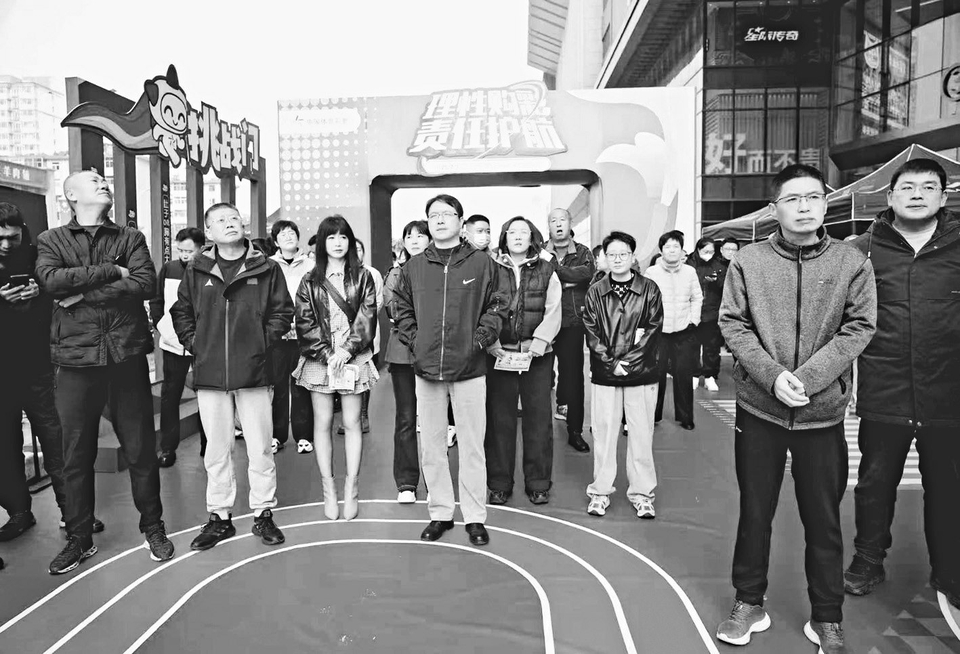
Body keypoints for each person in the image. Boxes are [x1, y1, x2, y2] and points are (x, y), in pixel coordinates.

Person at [716, 164, 876, 653]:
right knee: (755, 512)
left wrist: (807, 379)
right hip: (760, 411)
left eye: (813, 197)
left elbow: (859, 327)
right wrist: (771, 376)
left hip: (821, 412)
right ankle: (749, 602)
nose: (804, 207)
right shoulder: (749, 261)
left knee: (823, 519)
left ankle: (827, 615)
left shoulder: (851, 262)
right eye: (792, 199)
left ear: (825, 203)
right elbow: (733, 323)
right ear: (775, 208)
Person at [35, 169, 173, 574]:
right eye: (92, 182)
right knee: (76, 455)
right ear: (71, 195)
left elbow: (145, 284)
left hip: (125, 356)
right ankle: (79, 537)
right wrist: (113, 271)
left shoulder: (129, 237)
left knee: (141, 450)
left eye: (103, 180)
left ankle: (153, 527)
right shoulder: (51, 239)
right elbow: (52, 282)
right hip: (75, 362)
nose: (102, 183)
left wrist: (81, 294)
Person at [844, 159, 960, 620]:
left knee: (949, 487)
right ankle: (868, 559)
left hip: (948, 393)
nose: (916, 195)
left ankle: (949, 569)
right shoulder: (862, 249)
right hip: (883, 388)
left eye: (928, 187)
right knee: (874, 483)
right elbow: (842, 321)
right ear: (890, 197)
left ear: (944, 198)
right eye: (907, 187)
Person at [171, 202, 292, 552]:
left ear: (243, 225)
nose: (229, 224)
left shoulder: (266, 267)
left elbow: (282, 311)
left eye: (234, 218)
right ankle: (219, 516)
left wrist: (261, 343)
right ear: (209, 232)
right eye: (220, 220)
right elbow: (181, 311)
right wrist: (196, 344)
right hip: (210, 371)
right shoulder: (197, 268)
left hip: (254, 369)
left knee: (260, 446)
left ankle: (263, 512)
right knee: (217, 449)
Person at [393, 194, 509, 547]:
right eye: (433, 215)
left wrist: (479, 339)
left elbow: (499, 304)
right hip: (426, 367)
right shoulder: (414, 267)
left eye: (447, 214)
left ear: (461, 221)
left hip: (470, 366)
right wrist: (417, 342)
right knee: (431, 445)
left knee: (472, 446)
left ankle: (474, 517)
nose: (440, 220)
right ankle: (441, 512)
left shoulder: (482, 263)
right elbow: (400, 308)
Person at [293, 215, 378, 521]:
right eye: (331, 237)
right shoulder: (309, 279)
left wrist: (345, 351)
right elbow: (304, 322)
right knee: (323, 422)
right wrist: (328, 353)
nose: (338, 242)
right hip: (321, 359)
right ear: (322, 242)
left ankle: (351, 489)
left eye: (343, 237)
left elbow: (367, 317)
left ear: (350, 241)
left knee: (353, 422)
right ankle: (328, 490)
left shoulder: (364, 276)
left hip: (353, 357)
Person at [582, 231, 662, 519]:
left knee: (641, 434)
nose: (617, 259)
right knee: (604, 435)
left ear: (633, 256)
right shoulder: (596, 291)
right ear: (604, 258)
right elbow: (591, 332)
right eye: (611, 255)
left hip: (642, 372)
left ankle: (642, 494)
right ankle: (600, 492)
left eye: (623, 254)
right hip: (606, 374)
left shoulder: (649, 289)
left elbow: (653, 329)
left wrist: (627, 362)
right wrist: (610, 363)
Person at [0, 204, 68, 544]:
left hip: (39, 365)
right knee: (4, 446)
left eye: (12, 238)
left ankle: (74, 512)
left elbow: (62, 292)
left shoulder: (39, 256)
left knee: (56, 440)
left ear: (23, 232)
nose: (5, 245)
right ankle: (18, 512)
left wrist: (40, 293)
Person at [486, 217, 562, 506]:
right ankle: (499, 484)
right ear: (504, 237)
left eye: (524, 232)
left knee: (539, 420)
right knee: (499, 421)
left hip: (537, 356)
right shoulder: (490, 267)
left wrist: (539, 343)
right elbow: (481, 306)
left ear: (533, 238)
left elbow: (554, 309)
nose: (518, 236)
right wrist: (492, 342)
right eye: (512, 232)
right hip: (500, 355)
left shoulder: (546, 268)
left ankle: (538, 483)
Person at [383, 220, 431, 503]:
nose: (414, 240)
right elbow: (394, 310)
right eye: (409, 236)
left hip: (436, 352)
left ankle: (435, 481)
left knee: (435, 419)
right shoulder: (395, 274)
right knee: (406, 417)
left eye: (420, 235)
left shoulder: (442, 270)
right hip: (403, 352)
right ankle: (406, 483)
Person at [150, 227, 206, 467]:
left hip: (202, 345)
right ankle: (167, 448)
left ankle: (208, 445)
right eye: (180, 250)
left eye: (189, 251)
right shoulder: (169, 269)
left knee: (206, 395)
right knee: (170, 396)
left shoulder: (210, 269)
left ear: (201, 248)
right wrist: (163, 327)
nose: (184, 255)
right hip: (172, 343)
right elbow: (156, 301)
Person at [544, 208, 595, 453]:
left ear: (570, 223)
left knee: (574, 378)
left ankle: (575, 431)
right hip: (543, 323)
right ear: (549, 226)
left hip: (572, 323)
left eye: (562, 219)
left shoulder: (583, 251)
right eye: (553, 220)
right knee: (541, 379)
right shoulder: (540, 251)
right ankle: (540, 432)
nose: (558, 224)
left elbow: (586, 274)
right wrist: (569, 280)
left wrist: (555, 272)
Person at [644, 230, 702, 430]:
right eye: (667, 246)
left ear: (682, 250)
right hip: (659, 333)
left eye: (676, 246)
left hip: (683, 331)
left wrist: (694, 320)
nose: (671, 250)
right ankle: (653, 415)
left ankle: (686, 417)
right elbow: (645, 300)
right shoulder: (652, 272)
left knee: (683, 374)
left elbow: (697, 297)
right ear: (661, 250)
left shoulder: (690, 272)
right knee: (656, 375)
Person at [269, 219, 315, 454]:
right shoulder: (268, 265)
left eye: (292, 233)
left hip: (304, 336)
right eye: (283, 234)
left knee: (301, 386)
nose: (288, 236)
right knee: (277, 387)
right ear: (275, 241)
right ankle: (276, 436)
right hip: (277, 337)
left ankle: (304, 436)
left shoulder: (311, 265)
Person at [339, 238, 383, 435]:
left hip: (366, 334)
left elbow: (378, 302)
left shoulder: (372, 273)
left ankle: (362, 416)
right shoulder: (339, 273)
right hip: (341, 336)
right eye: (353, 249)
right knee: (343, 375)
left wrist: (359, 319)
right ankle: (349, 418)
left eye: (359, 249)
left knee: (362, 377)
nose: (356, 253)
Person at [690, 237, 726, 392]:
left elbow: (726, 287)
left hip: (712, 313)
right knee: (692, 346)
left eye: (711, 251)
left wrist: (716, 280)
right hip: (692, 312)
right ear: (698, 250)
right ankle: (693, 375)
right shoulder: (689, 264)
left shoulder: (719, 265)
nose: (708, 254)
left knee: (712, 347)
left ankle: (710, 376)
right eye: (705, 251)